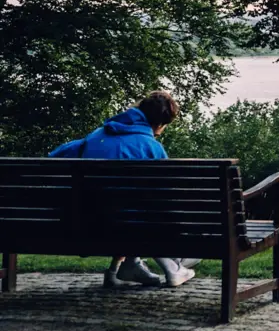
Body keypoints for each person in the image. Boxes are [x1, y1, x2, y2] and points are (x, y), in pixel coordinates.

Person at [49, 91, 199, 288]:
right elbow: (167, 198)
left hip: (83, 225)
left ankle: (126, 267)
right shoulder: (151, 148)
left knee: (118, 204)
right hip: (126, 228)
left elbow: (53, 158)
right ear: (160, 124)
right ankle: (172, 267)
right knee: (140, 210)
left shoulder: (95, 137)